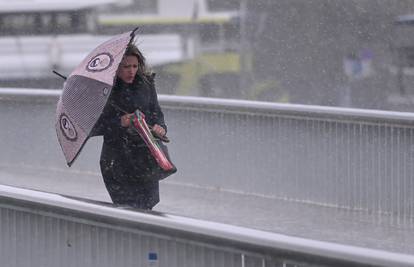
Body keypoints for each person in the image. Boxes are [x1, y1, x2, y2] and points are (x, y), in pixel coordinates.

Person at [92, 43, 169, 210]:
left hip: (144, 158)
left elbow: (156, 113)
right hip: (117, 162)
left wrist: (160, 127)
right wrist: (120, 122)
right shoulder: (105, 91)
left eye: (135, 66)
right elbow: (95, 127)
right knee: (126, 209)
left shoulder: (146, 84)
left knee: (147, 207)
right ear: (116, 67)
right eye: (126, 66)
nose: (131, 71)